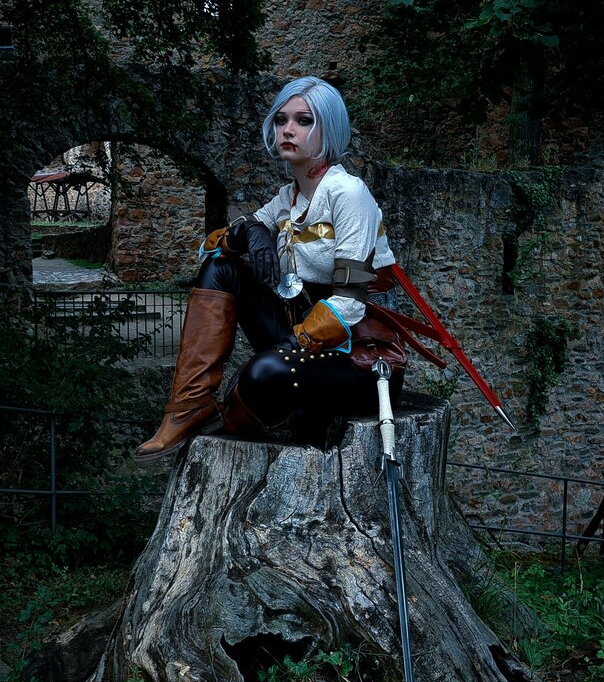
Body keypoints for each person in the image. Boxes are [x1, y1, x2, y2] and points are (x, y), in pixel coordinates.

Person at [136, 76, 407, 460]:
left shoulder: (349, 193)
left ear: (329, 129)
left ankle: (229, 417)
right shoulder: (287, 199)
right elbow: (207, 250)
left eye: (304, 120)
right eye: (281, 120)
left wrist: (293, 344)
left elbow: (351, 300)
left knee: (265, 372)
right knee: (222, 267)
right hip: (302, 336)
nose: (288, 129)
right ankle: (189, 404)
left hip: (358, 358)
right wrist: (248, 232)